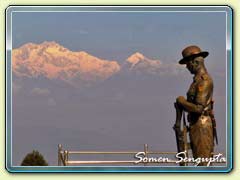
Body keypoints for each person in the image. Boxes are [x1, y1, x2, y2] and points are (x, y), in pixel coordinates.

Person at [176, 45, 215, 166]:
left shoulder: (204, 81)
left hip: (201, 126)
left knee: (202, 164)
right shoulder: (197, 81)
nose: (187, 66)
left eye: (188, 63)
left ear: (196, 62)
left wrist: (182, 101)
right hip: (196, 125)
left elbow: (199, 108)